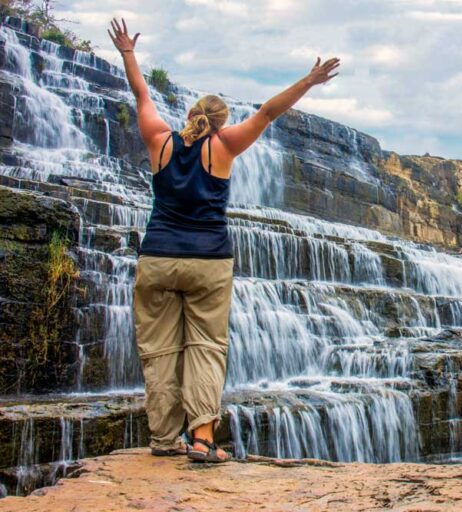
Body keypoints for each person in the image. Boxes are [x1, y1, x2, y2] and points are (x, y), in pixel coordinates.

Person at [109, 18, 339, 463]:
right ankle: (201, 439)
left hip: (157, 257)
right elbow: (269, 113)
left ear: (192, 115)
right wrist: (309, 81)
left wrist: (128, 54)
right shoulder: (224, 147)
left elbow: (141, 96)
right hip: (209, 262)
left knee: (159, 351)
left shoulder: (160, 141)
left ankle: (162, 440)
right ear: (219, 123)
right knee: (205, 348)